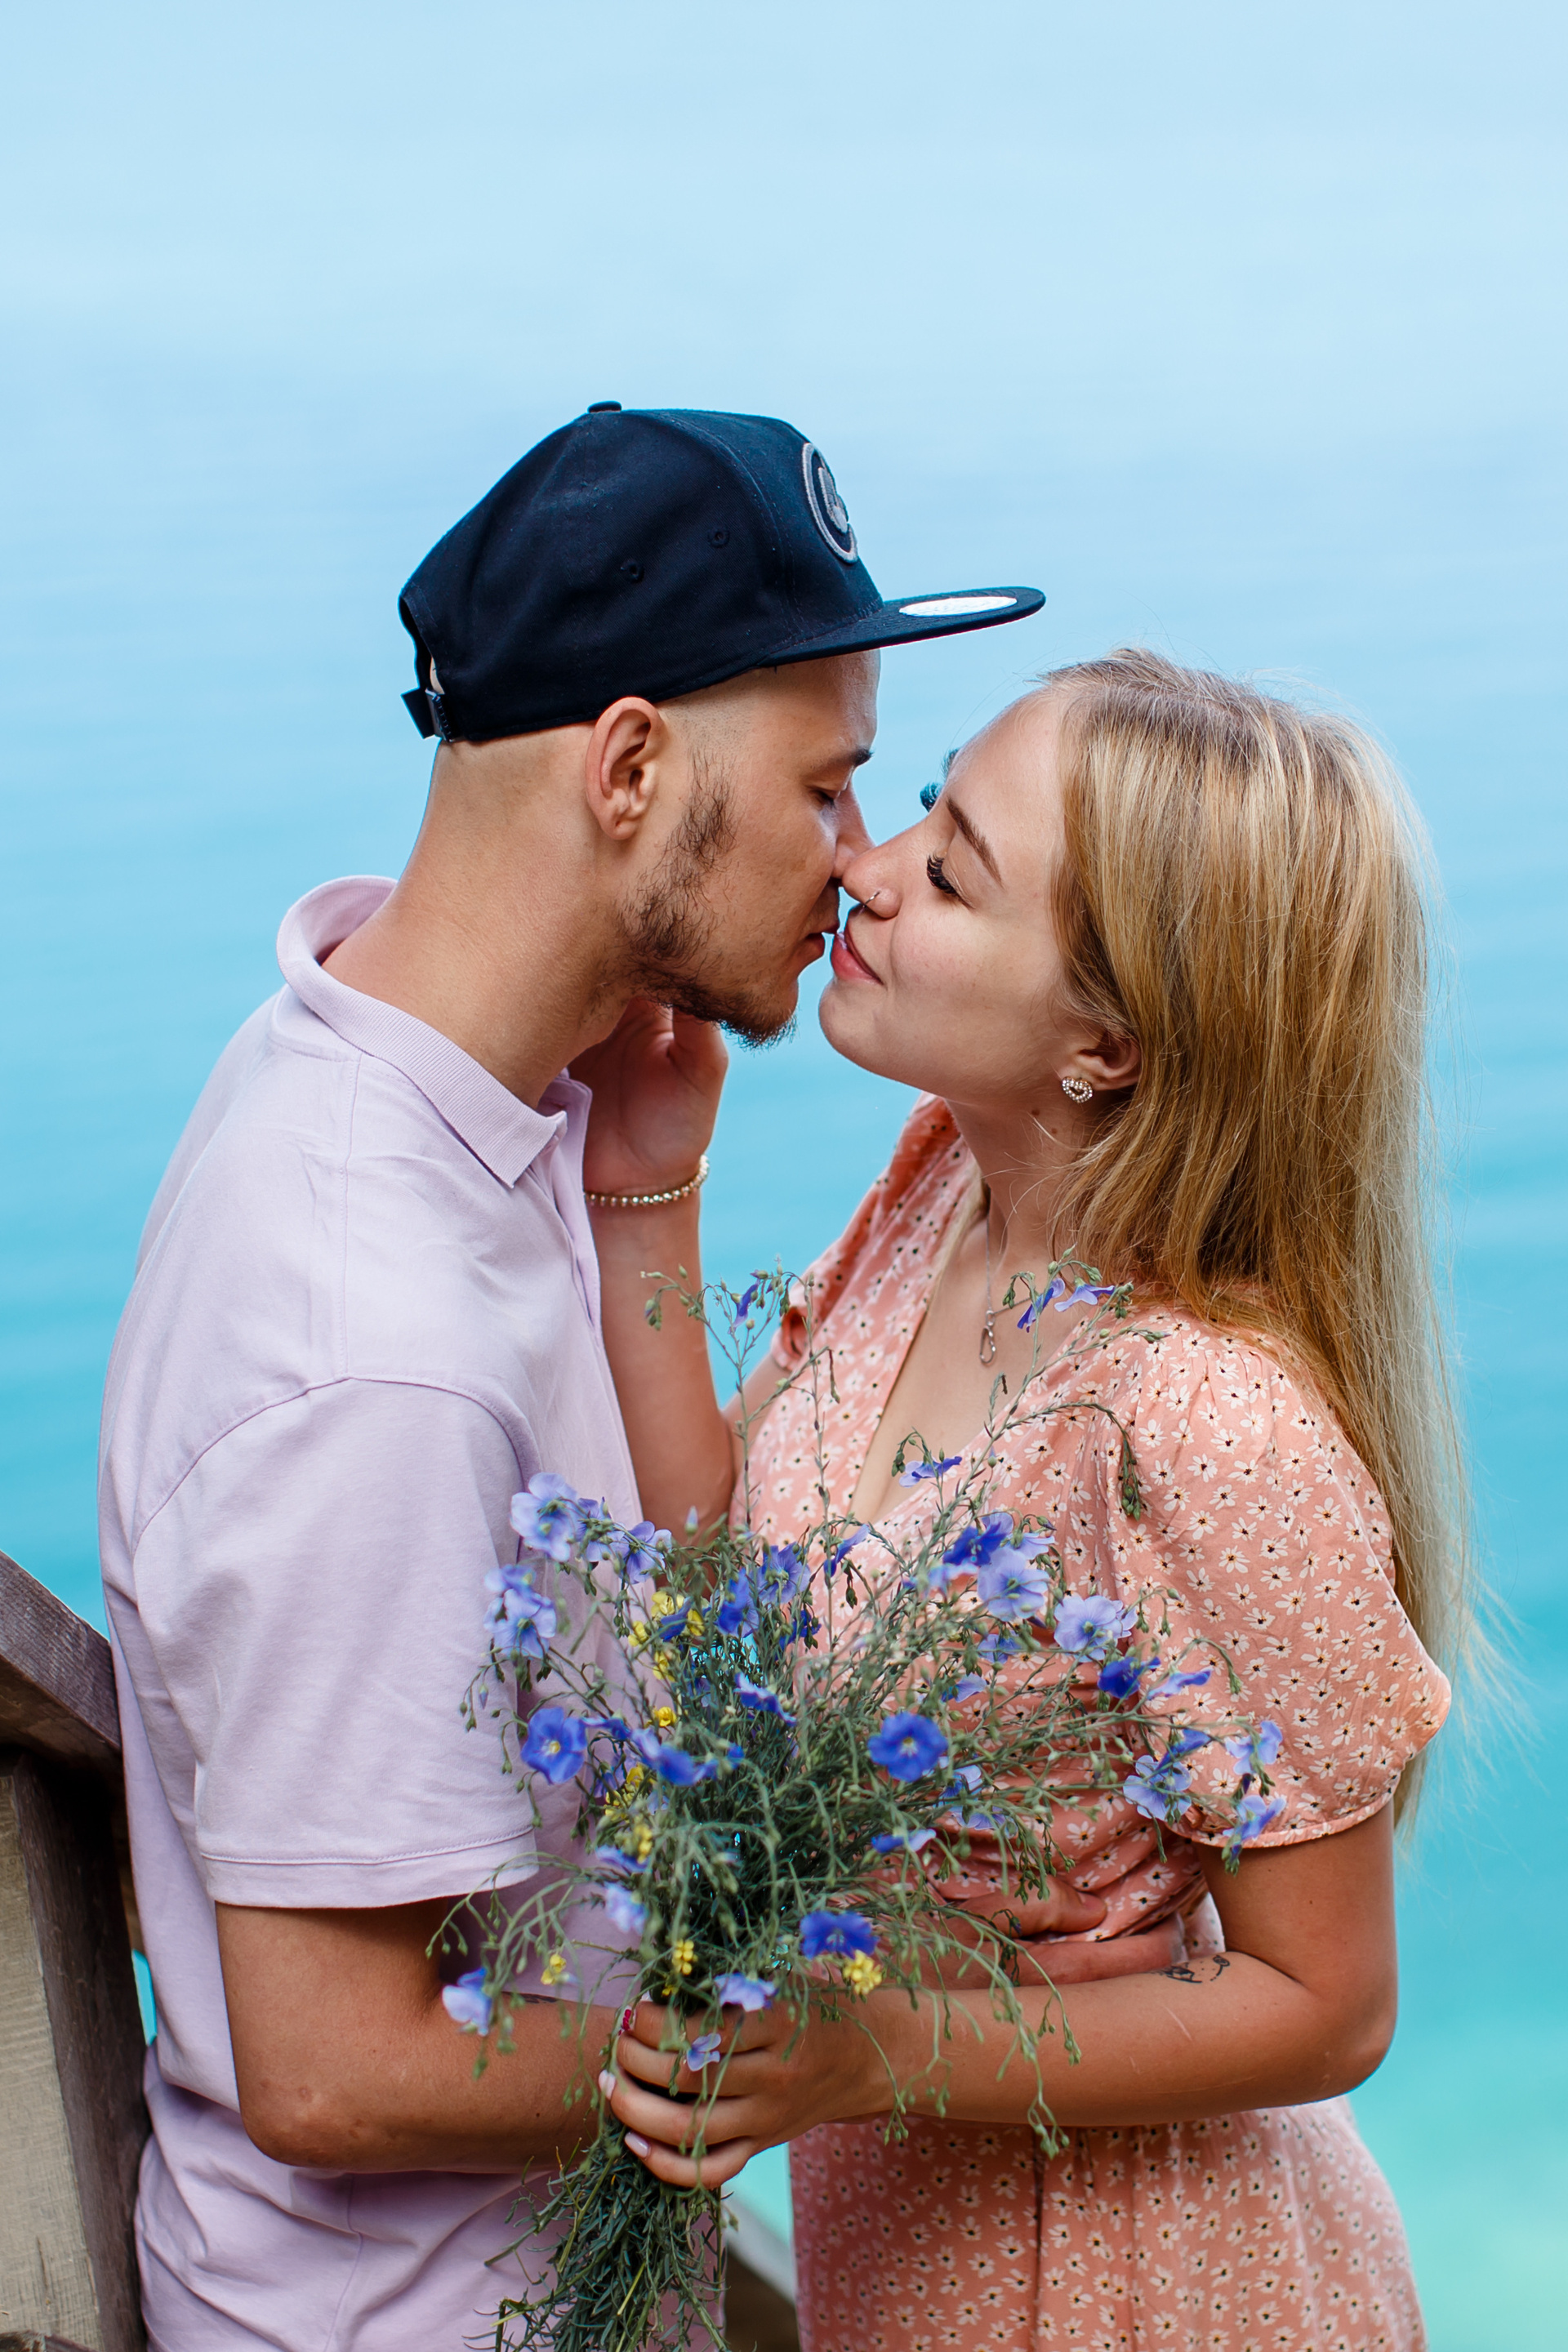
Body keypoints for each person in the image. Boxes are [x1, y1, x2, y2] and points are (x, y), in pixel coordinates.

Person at [96, 403, 1059, 2350]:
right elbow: (334, 2067)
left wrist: (644, 1197)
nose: (859, 865)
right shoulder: (366, 1347)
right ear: (628, 768)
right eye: (826, 789)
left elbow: (635, 1596)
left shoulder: (427, 1078)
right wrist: (828, 2036)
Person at [586, 651, 1460, 2351]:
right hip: (907, 2251)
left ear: (1107, 1044)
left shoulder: (1204, 1427)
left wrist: (871, 2049)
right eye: (924, 808)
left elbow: (1332, 2002)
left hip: (1143, 2287)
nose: (865, 866)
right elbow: (723, 1572)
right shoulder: (944, 1191)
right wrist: (648, 1183)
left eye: (954, 871)